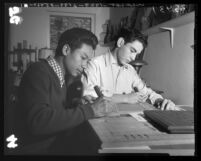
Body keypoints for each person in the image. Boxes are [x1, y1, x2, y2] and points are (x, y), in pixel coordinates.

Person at [13, 28, 116, 155]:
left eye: (88, 60)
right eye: (83, 57)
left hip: (56, 145)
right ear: (66, 50)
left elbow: (55, 108)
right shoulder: (38, 72)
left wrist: (79, 102)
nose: (85, 65)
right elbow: (38, 121)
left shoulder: (61, 75)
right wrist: (91, 110)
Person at [81, 28, 179, 111]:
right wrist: (126, 98)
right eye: (132, 51)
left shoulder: (130, 70)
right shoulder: (94, 64)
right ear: (120, 42)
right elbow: (88, 95)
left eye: (136, 54)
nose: (133, 58)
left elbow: (145, 91)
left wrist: (160, 101)